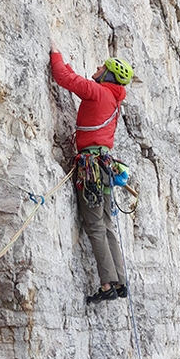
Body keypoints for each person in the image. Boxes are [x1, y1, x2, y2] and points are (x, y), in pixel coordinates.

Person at [50, 42, 134, 304]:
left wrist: (56, 53)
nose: (97, 68)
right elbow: (77, 80)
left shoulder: (97, 92)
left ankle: (107, 284)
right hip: (104, 166)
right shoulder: (112, 97)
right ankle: (120, 281)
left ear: (107, 74)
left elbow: (64, 78)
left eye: (101, 67)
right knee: (107, 224)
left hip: (90, 168)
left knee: (95, 225)